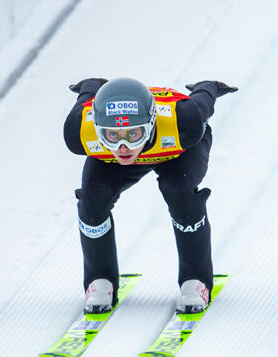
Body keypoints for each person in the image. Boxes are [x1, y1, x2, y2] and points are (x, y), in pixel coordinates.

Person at [63, 77, 237, 314]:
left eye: (133, 134)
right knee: (92, 201)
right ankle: (99, 279)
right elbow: (87, 98)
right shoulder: (78, 131)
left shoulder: (185, 121)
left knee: (179, 191)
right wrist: (91, 86)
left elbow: (204, 98)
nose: (124, 146)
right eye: (112, 135)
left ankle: (195, 279)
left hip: (179, 150)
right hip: (112, 158)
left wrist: (208, 87)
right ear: (97, 130)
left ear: (152, 123)